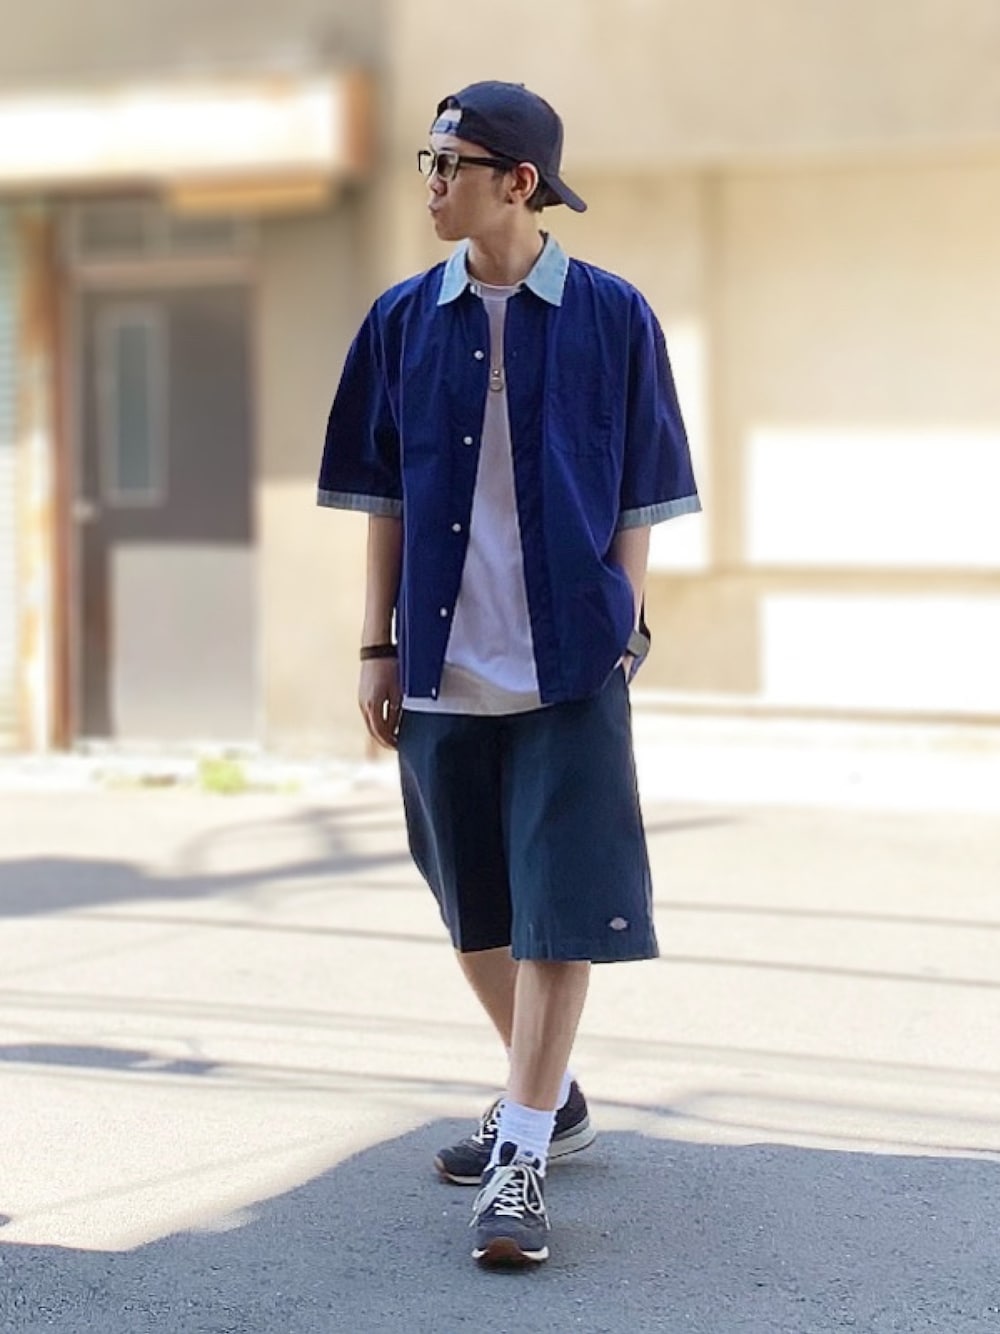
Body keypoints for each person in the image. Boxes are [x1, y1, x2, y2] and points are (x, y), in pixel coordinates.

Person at [318, 79, 700, 1268]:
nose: (431, 184)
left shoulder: (612, 315)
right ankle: (554, 1094)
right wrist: (375, 642)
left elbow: (642, 486)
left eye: (452, 165)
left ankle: (522, 1149)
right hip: (440, 661)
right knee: (472, 902)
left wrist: (623, 622)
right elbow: (383, 496)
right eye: (427, 162)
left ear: (518, 183)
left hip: (568, 662)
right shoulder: (399, 319)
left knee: (558, 904)